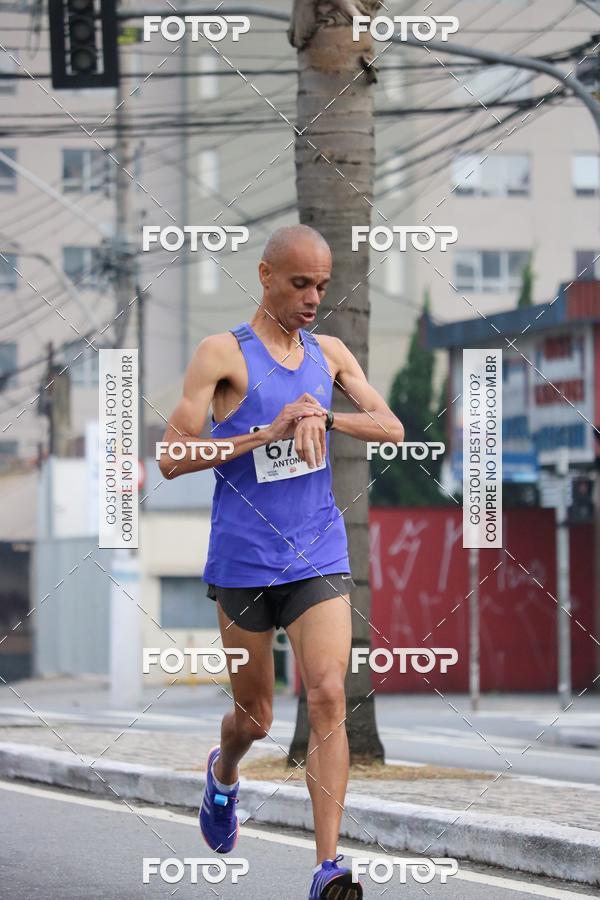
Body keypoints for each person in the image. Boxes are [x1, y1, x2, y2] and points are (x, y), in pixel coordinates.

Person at [159, 224, 404, 899]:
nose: (313, 298)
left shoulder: (328, 354)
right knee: (257, 717)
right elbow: (172, 457)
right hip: (242, 561)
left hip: (317, 550)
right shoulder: (221, 355)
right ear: (265, 276)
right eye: (300, 283)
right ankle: (225, 773)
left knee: (327, 693)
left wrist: (327, 418)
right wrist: (261, 433)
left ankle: (328, 866)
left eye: (322, 286)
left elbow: (391, 426)